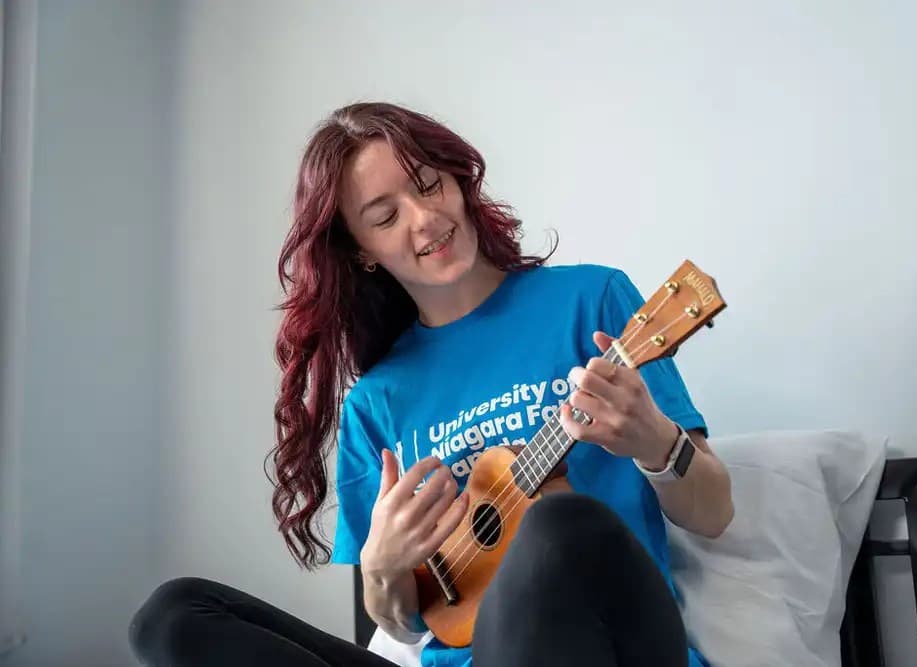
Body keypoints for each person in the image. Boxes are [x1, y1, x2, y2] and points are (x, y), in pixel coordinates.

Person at [128, 102, 735, 667]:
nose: (426, 220)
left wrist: (656, 441)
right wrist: (383, 570)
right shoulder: (375, 403)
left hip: (611, 642)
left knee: (556, 524)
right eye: (386, 217)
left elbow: (713, 513)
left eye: (429, 185)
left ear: (457, 180)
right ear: (360, 251)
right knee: (172, 614)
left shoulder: (591, 301)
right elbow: (400, 628)